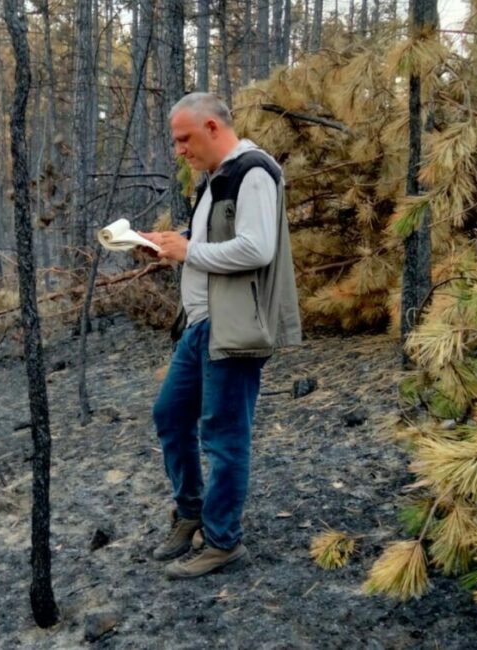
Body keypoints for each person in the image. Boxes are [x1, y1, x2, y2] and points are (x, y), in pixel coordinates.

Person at [141, 92, 301, 580]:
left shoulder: (252, 171)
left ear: (212, 127)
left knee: (224, 436)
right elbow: (211, 245)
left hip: (232, 328)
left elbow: (256, 248)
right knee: (169, 415)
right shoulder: (216, 180)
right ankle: (191, 511)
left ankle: (223, 541)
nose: (180, 151)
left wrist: (186, 251)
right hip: (200, 326)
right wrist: (168, 246)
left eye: (184, 139)